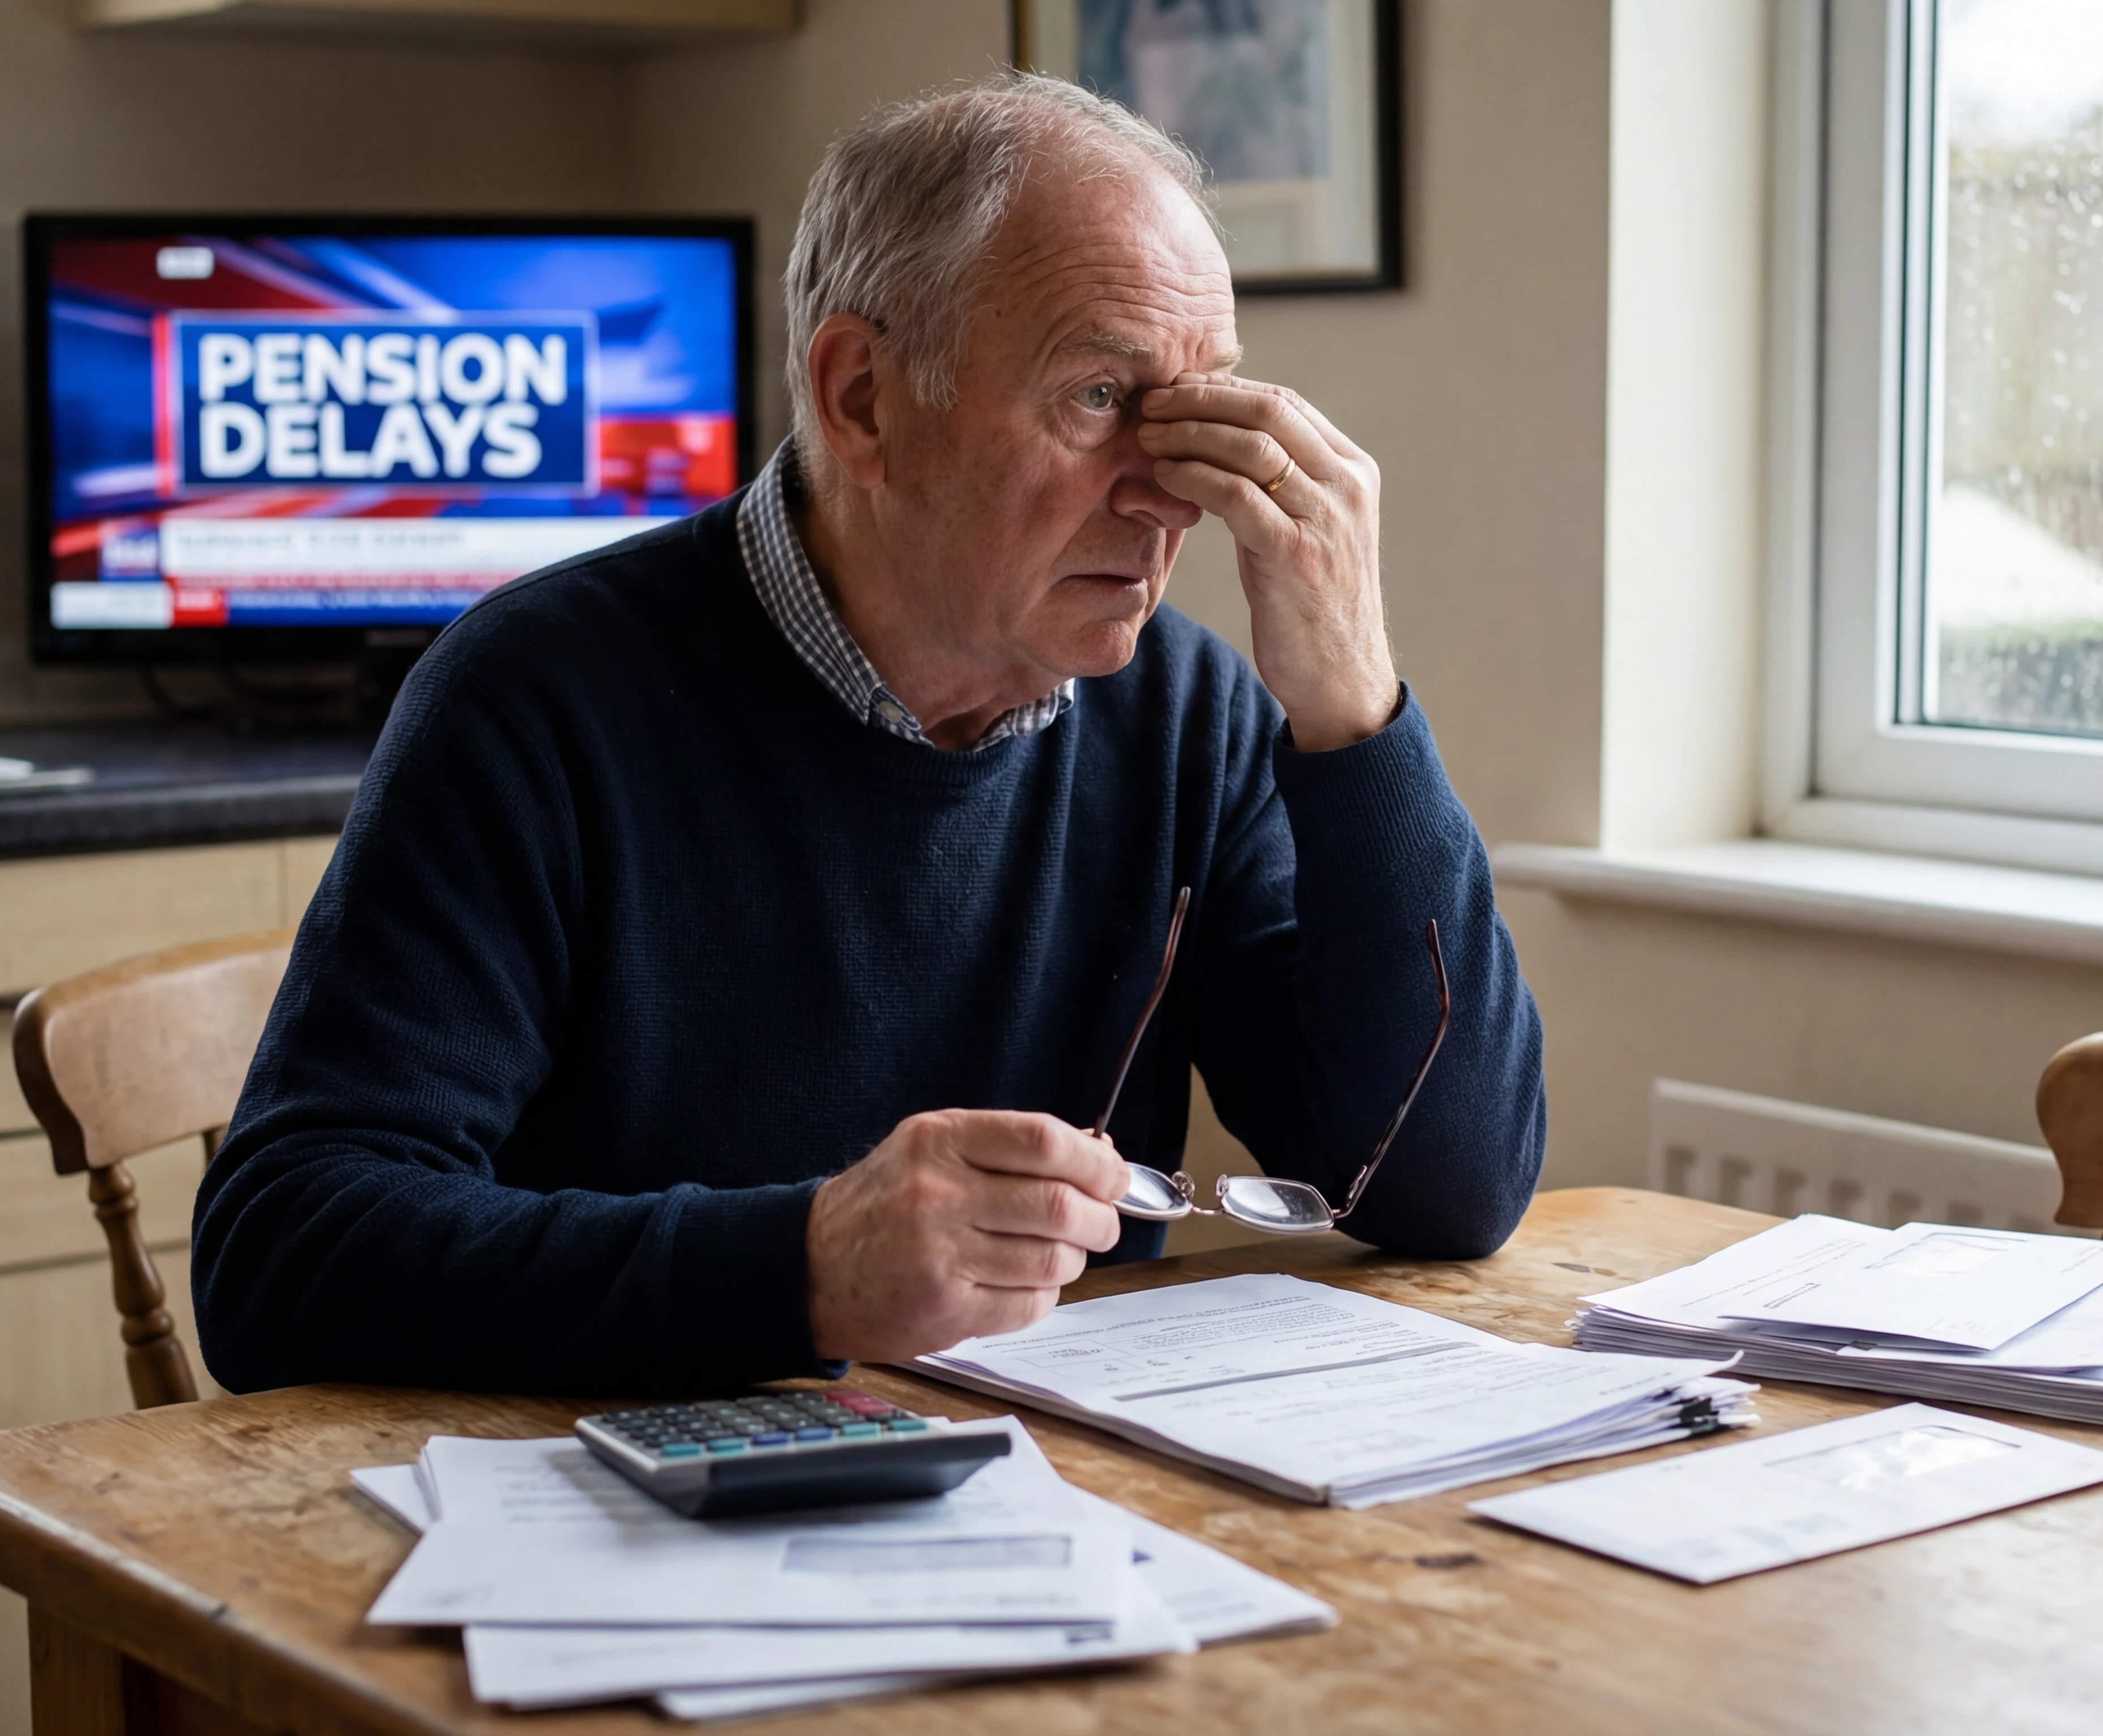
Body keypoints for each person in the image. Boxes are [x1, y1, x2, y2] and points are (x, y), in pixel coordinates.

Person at [192, 73, 1547, 1395]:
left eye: (1203, 411)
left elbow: (1442, 1188)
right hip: (630, 1539)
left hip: (1074, 1526)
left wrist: (1355, 711)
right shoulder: (534, 698)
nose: (1174, 495)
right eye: (1098, 398)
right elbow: (281, 1257)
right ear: (862, 400)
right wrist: (797, 1269)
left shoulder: (1188, 716)